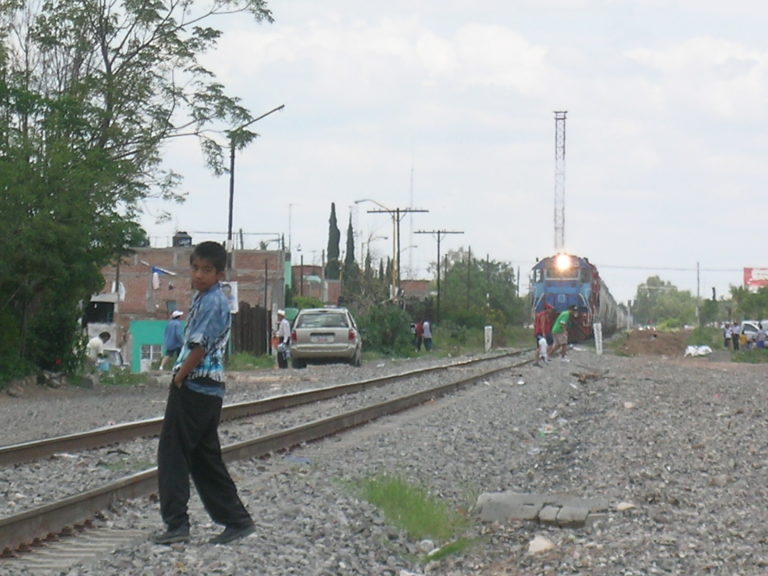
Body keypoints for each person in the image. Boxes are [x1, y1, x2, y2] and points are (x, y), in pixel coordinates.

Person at [153, 241, 254, 546]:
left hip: (195, 386)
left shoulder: (212, 302)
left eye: (206, 270)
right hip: (208, 389)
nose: (199, 274)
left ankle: (177, 524)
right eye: (195, 268)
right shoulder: (206, 298)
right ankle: (237, 521)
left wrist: (179, 377)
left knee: (172, 454)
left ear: (220, 273)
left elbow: (200, 346)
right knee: (203, 457)